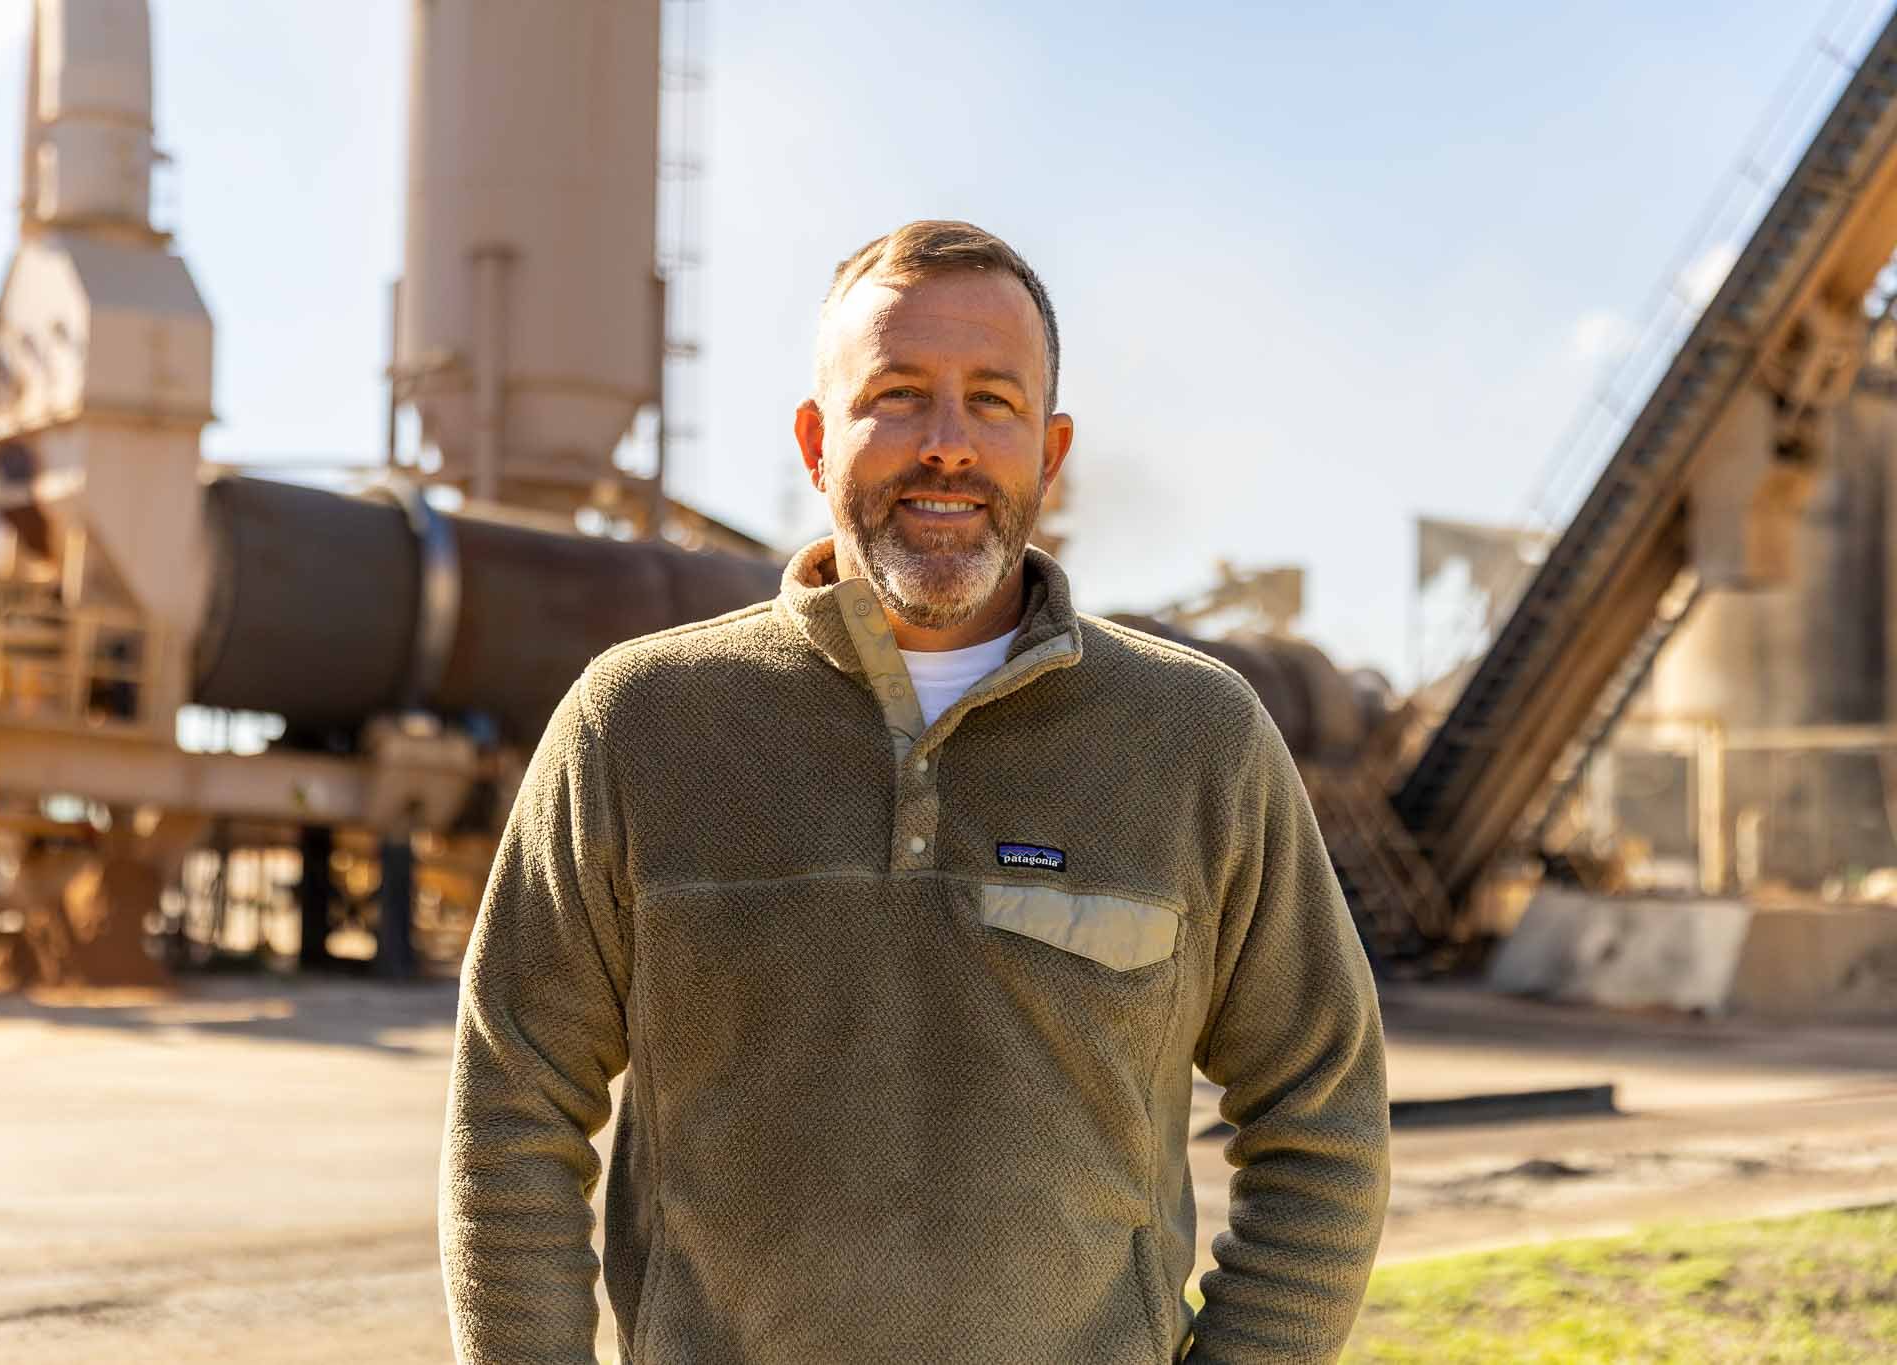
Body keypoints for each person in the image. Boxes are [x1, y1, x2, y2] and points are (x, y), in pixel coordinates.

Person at [440, 220, 1390, 1364]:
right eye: (896, 395)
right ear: (813, 438)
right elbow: (512, 1113)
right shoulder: (638, 724)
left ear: (1050, 449)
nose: (947, 445)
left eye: (992, 401)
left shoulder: (1195, 739)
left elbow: (1322, 1118)